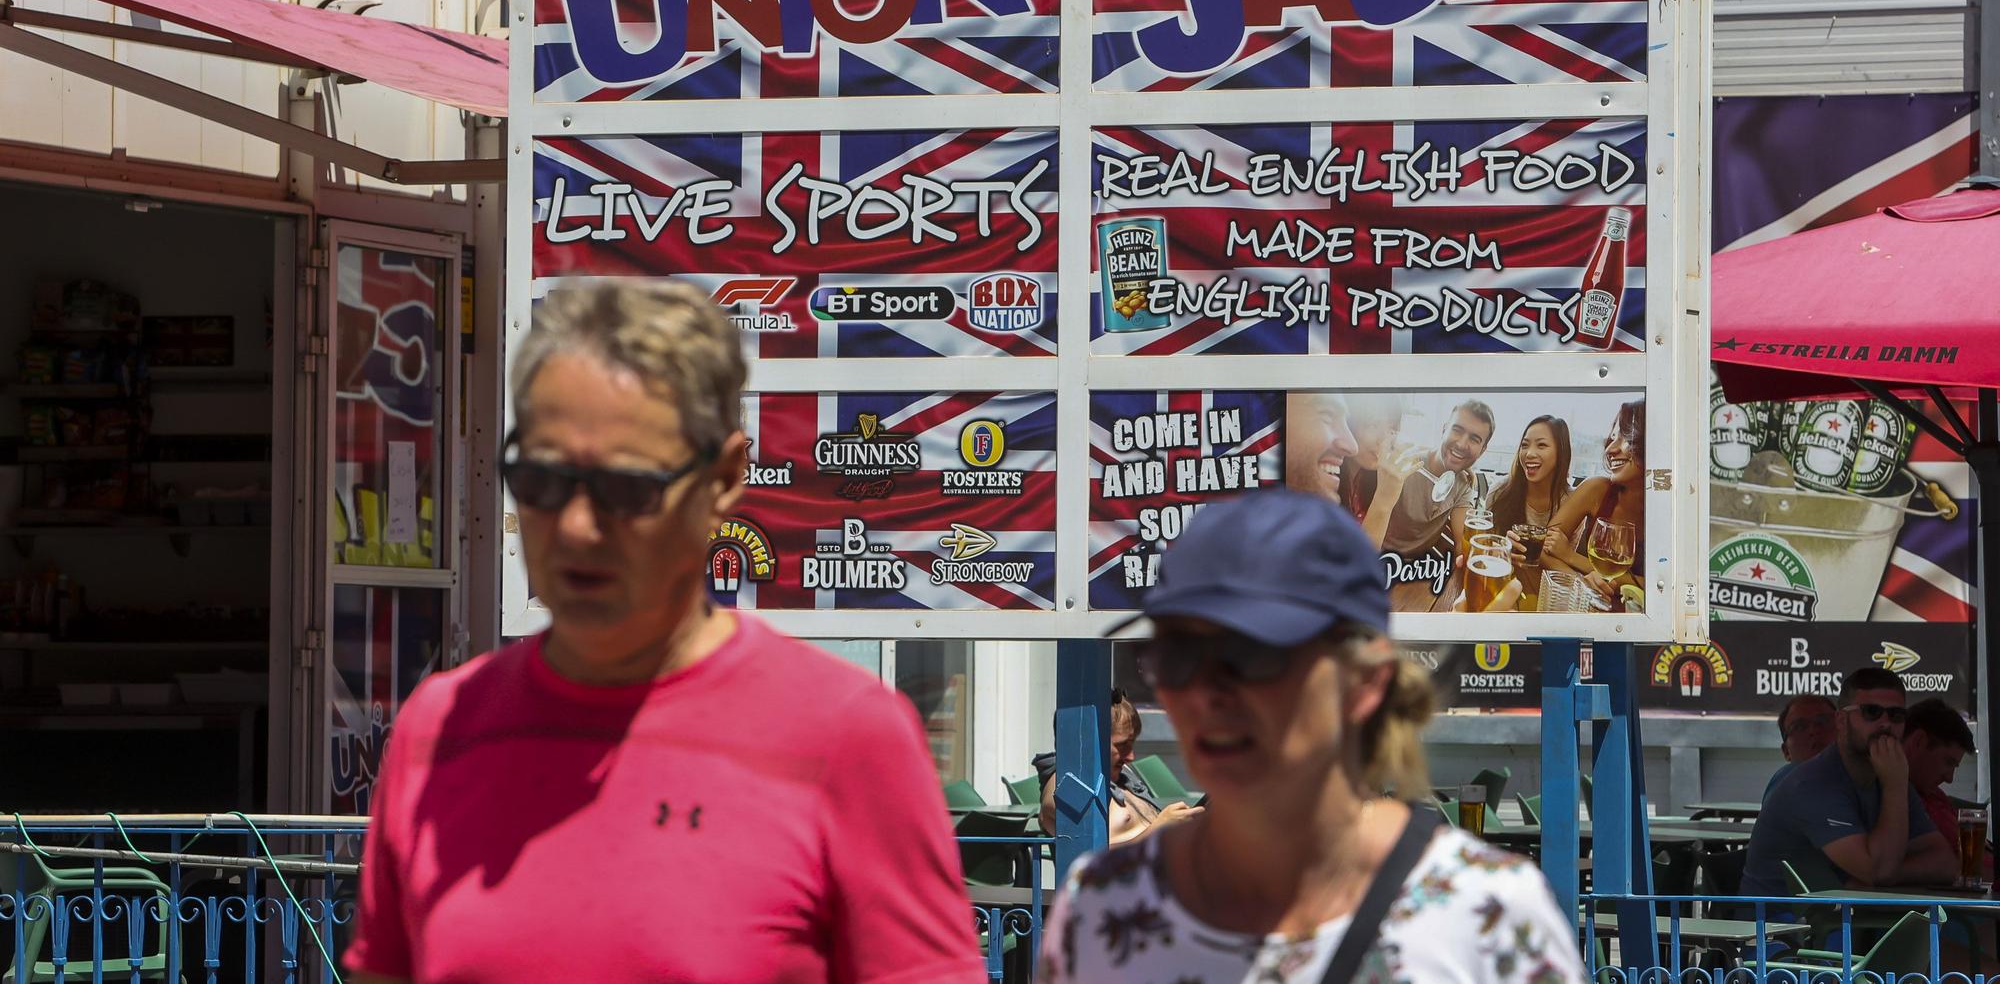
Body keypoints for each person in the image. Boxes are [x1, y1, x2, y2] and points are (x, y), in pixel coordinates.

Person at [345, 282, 985, 984]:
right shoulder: (439, 729)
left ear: (724, 478)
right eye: (542, 479)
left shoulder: (848, 737)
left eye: (629, 489)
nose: (579, 526)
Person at [1038, 490, 1587, 983]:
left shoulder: (1485, 915)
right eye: (1177, 655)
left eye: (1252, 656)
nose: (1206, 692)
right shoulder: (1104, 904)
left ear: (1366, 681)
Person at [1740, 666, 1958, 897]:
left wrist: (1886, 875)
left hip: (1845, 916)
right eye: (1871, 712)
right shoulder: (1814, 783)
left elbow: (1945, 862)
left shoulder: (1889, 773)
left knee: (1957, 927)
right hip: (1782, 923)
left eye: (1896, 715)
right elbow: (1878, 870)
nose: (1886, 724)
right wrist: (1894, 786)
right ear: (1841, 721)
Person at [1034, 688, 1199, 844]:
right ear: (1089, 742)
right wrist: (1157, 831)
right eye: (1122, 745)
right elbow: (1087, 859)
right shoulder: (1066, 787)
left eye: (1131, 744)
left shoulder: (1117, 773)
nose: (1131, 756)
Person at [1543, 401, 1646, 607]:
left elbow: (1665, 586)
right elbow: (1544, 549)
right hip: (1583, 608)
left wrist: (1571, 557)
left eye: (1625, 437)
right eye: (1613, 438)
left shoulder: (1671, 513)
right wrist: (1582, 583)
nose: (1610, 448)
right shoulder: (1596, 489)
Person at [1376, 398, 1494, 556]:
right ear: (1444, 429)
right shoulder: (1403, 465)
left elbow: (1463, 543)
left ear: (1483, 449)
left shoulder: (1463, 483)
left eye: (1474, 439)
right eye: (1457, 430)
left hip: (1421, 570)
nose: (1461, 444)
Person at [1903, 699, 1976, 847]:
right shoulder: (1884, 799)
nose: (1949, 778)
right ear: (1919, 741)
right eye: (1949, 762)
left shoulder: (1934, 794)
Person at [1487, 415, 1573, 536]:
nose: (1529, 454)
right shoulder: (1499, 492)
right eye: (1525, 445)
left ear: (1561, 452)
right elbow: (1486, 544)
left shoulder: (1572, 501)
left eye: (1541, 445)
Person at [1762, 693, 1836, 799]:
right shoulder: (1783, 787)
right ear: (1786, 751)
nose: (1813, 731)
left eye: (1823, 722)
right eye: (1800, 727)